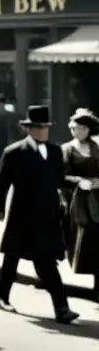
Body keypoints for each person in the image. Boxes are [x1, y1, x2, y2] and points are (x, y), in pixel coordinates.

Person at [0, 105, 79, 323]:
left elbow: (59, 179)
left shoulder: (56, 152)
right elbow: (1, 183)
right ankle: (2, 295)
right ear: (28, 129)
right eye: (38, 127)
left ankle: (61, 308)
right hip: (22, 214)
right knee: (12, 258)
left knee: (46, 262)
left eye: (45, 127)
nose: (42, 131)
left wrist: (77, 183)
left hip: (47, 216)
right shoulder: (14, 152)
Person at [60, 108, 99, 300]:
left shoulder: (97, 148)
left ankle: (97, 287)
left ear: (87, 129)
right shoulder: (66, 149)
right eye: (73, 127)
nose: (74, 131)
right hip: (74, 200)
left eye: (79, 128)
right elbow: (59, 176)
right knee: (76, 238)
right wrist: (77, 181)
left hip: (96, 200)